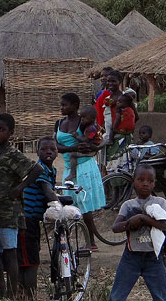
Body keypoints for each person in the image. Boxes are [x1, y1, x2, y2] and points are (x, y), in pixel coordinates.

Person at [98, 164, 166, 301]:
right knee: (116, 299)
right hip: (131, 257)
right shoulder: (128, 205)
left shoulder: (160, 203)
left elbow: (165, 225)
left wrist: (142, 219)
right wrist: (129, 223)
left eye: (150, 181)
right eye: (141, 180)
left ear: (154, 184)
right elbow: (115, 227)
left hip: (154, 259)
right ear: (133, 181)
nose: (145, 184)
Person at [0, 114, 43, 298]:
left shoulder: (12, 153)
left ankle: (12, 294)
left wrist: (19, 188)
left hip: (9, 213)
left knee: (10, 254)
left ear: (11, 133)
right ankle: (1, 292)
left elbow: (36, 169)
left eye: (1, 129)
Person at [55, 93, 106, 250]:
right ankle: (73, 240)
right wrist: (73, 148)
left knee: (85, 206)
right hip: (70, 166)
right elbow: (56, 146)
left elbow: (95, 142)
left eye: (65, 105)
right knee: (70, 204)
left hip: (84, 166)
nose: (62, 108)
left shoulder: (84, 122)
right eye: (61, 104)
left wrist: (84, 147)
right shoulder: (59, 123)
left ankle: (91, 242)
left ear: (75, 107)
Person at [19, 136, 58, 301]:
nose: (48, 151)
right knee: (30, 262)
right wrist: (57, 205)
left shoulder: (52, 170)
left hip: (32, 221)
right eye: (44, 149)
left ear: (57, 152)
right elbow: (47, 191)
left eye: (52, 149)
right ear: (37, 152)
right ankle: (30, 299)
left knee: (26, 259)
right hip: (26, 220)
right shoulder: (39, 168)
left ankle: (24, 296)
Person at [64, 106, 102, 182]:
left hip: (90, 150)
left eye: (84, 117)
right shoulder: (94, 125)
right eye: (81, 117)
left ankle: (73, 172)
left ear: (91, 118)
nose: (82, 119)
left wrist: (76, 136)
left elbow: (86, 140)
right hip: (92, 147)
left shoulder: (91, 128)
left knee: (72, 155)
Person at [106, 93, 136, 162]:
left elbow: (117, 121)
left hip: (121, 132)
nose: (117, 103)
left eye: (119, 102)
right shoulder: (131, 110)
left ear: (125, 103)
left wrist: (114, 129)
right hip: (129, 132)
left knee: (111, 127)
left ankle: (110, 140)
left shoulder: (120, 111)